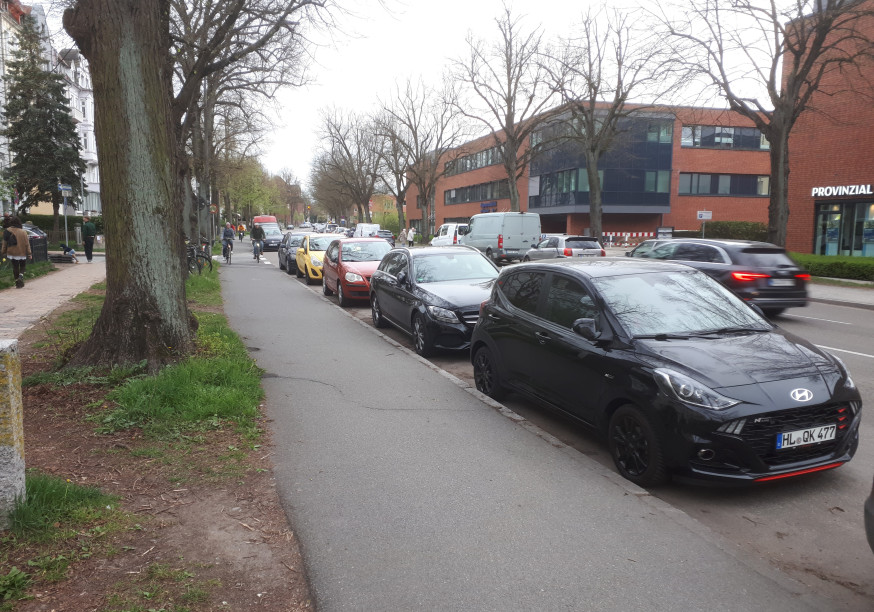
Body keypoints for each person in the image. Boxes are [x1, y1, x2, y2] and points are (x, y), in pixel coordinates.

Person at [1, 216, 33, 288]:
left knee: (15, 266)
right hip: (22, 252)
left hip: (12, 252)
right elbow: (27, 244)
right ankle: (21, 276)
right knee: (22, 266)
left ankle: (17, 283)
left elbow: (4, 243)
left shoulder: (7, 231)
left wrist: (3, 251)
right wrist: (29, 253)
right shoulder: (23, 232)